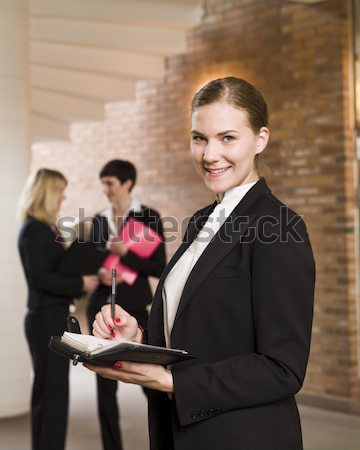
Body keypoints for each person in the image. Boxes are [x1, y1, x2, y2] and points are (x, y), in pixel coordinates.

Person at [86, 77, 316, 450]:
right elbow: (200, 328)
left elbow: (283, 368)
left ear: (260, 139)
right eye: (199, 138)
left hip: (241, 435)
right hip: (180, 430)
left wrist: (168, 381)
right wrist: (138, 339)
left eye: (227, 138)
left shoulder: (280, 228)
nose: (210, 154)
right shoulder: (200, 221)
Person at [86, 159, 166, 450]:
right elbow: (88, 263)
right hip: (100, 306)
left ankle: (165, 439)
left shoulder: (148, 217)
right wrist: (97, 273)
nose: (105, 189)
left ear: (127, 183)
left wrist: (126, 253)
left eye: (110, 183)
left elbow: (160, 267)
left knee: (149, 380)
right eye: (103, 183)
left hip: (134, 307)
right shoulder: (98, 219)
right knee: (104, 385)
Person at [17, 168, 99, 450]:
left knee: (52, 393)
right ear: (47, 192)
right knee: (52, 394)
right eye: (60, 190)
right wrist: (80, 282)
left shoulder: (45, 228)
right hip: (45, 317)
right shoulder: (34, 230)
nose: (64, 196)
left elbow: (53, 269)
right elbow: (41, 278)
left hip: (52, 315)